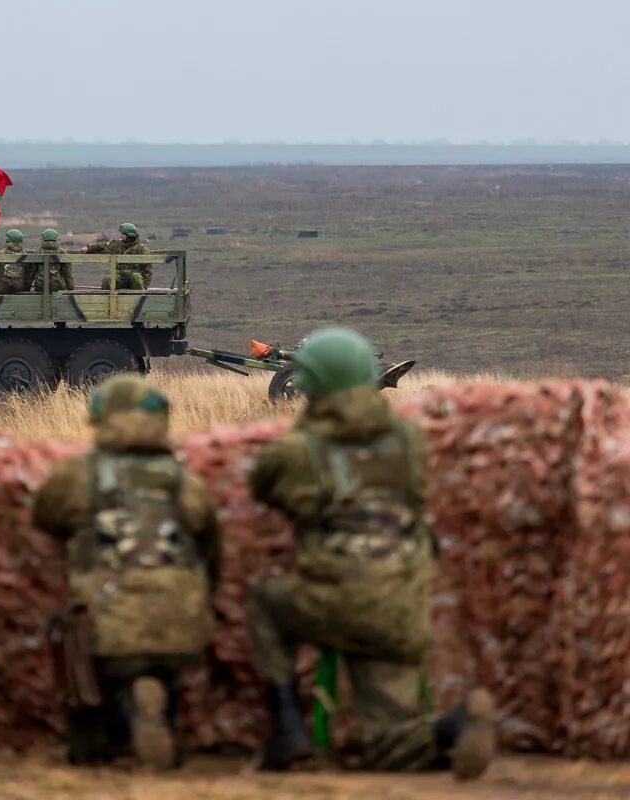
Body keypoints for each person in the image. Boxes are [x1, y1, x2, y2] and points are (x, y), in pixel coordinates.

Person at [246, 327, 494, 778]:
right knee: (391, 747)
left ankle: (287, 731)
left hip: (333, 603)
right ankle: (455, 727)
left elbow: (263, 484)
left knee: (264, 600)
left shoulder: (298, 449)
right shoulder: (408, 442)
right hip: (400, 609)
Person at [32, 374, 219, 769]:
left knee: (68, 632)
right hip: (180, 625)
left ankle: (92, 740)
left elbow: (44, 519)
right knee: (166, 662)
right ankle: (159, 709)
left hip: (107, 620)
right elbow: (211, 547)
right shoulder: (186, 480)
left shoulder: (76, 475)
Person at [82, 222, 151, 289]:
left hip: (133, 280)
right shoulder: (117, 245)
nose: (120, 236)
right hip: (120, 277)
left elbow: (148, 270)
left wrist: (145, 285)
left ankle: (136, 299)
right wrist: (88, 248)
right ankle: (109, 299)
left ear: (129, 235)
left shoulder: (141, 249)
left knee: (136, 277)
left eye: (123, 234)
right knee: (107, 280)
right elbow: (103, 245)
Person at [30, 228, 74, 292]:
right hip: (57, 284)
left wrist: (26, 288)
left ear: (43, 239)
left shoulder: (37, 252)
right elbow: (68, 274)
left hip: (40, 285)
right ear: (56, 238)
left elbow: (31, 273)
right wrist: (71, 289)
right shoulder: (61, 252)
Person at [0, 228, 28, 294]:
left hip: (1, 288)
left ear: (7, 240)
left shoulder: (0, 253)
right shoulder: (25, 254)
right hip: (19, 287)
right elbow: (28, 273)